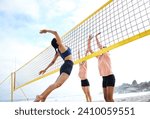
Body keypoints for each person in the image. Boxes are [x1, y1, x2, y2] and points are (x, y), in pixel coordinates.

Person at [34, 29, 73, 102]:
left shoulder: (58, 51)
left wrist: (45, 69)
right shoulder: (61, 46)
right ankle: (40, 96)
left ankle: (43, 97)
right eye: (57, 39)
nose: (59, 39)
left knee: (56, 84)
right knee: (57, 84)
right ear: (57, 42)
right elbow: (55, 32)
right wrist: (46, 30)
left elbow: (52, 62)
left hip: (65, 66)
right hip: (68, 65)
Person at [88, 32, 115, 102]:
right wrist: (89, 40)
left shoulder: (107, 54)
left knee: (110, 98)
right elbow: (90, 50)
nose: (102, 48)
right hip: (104, 78)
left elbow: (100, 46)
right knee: (106, 99)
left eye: (103, 48)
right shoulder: (99, 57)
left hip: (110, 77)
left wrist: (96, 37)